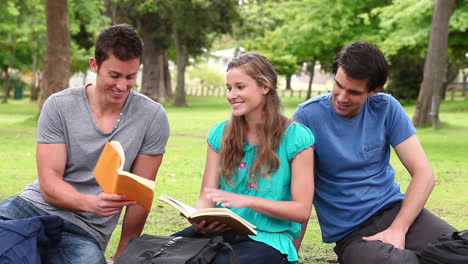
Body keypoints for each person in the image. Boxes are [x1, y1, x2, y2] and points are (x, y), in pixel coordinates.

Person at [0, 24, 170, 263]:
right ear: (94, 65)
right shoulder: (59, 105)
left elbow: (140, 197)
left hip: (84, 231)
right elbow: (49, 184)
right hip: (31, 208)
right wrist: (91, 202)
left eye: (130, 76)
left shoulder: (152, 117)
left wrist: (124, 253)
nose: (122, 86)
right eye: (114, 75)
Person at [293, 41, 457, 263]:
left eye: (353, 92)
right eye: (338, 85)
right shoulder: (307, 117)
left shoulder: (387, 108)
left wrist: (398, 229)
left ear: (374, 90)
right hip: (352, 234)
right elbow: (301, 192)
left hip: (397, 212)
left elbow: (424, 175)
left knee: (459, 249)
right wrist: (291, 256)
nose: (341, 97)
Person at [172, 52, 315, 263]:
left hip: (269, 239)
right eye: (229, 88)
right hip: (220, 232)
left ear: (265, 87)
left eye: (240, 87)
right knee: (154, 254)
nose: (231, 95)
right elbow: (207, 195)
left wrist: (248, 201)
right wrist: (200, 218)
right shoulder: (220, 134)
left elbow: (302, 211)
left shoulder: (296, 137)